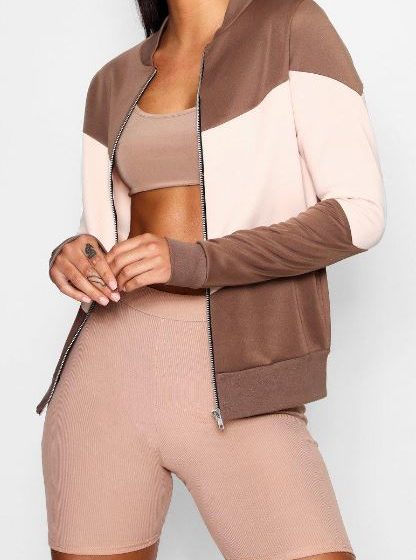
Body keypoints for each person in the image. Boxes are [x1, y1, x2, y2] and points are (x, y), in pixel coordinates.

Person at [37, 0, 385, 558]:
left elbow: (357, 216)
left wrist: (197, 261)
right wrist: (75, 254)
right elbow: (104, 230)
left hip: (237, 378)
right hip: (105, 374)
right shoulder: (112, 80)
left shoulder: (290, 26)